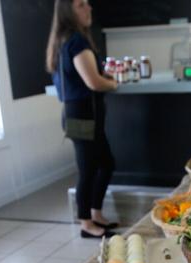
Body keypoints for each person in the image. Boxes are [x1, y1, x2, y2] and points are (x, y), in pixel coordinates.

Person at [47, 0, 119, 238]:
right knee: (88, 169)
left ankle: (95, 213)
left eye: (87, 4)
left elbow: (85, 76)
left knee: (105, 164)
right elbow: (93, 82)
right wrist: (114, 83)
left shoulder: (65, 41)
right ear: (68, 11)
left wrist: (102, 75)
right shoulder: (76, 41)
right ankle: (86, 223)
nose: (88, 8)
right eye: (80, 5)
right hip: (82, 115)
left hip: (82, 114)